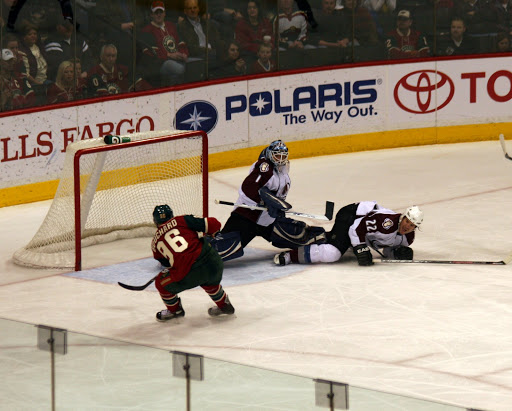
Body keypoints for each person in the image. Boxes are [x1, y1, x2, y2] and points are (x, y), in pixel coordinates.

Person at [213, 140, 326, 261]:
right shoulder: (265, 168)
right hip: (247, 218)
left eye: (283, 156)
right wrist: (264, 202)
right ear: (269, 154)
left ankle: (330, 236)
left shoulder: (284, 175)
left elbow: (279, 199)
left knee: (304, 237)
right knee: (220, 250)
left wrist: (277, 209)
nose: (280, 159)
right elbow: (247, 189)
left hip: (269, 221)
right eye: (277, 155)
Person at [151, 204, 235, 321]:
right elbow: (214, 224)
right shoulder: (182, 220)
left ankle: (175, 311)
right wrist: (212, 233)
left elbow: (167, 263)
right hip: (213, 262)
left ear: (155, 221)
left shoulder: (155, 243)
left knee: (161, 283)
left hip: (190, 274)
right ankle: (224, 305)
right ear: (172, 215)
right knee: (210, 280)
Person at [275, 202, 423, 266]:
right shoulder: (387, 223)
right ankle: (290, 255)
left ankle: (324, 236)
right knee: (332, 253)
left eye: (412, 226)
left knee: (343, 246)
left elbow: (386, 246)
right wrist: (360, 248)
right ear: (403, 217)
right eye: (407, 221)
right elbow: (356, 228)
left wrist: (395, 254)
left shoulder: (407, 238)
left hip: (360, 226)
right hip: (351, 216)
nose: (407, 227)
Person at [140, 1, 188, 87]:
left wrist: (183, 54)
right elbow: (151, 53)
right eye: (156, 13)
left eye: (161, 12)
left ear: (165, 13)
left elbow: (181, 43)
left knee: (196, 63)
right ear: (151, 15)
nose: (159, 15)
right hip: (162, 63)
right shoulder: (147, 30)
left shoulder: (171, 25)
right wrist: (169, 55)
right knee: (180, 69)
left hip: (178, 58)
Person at [44, 17, 92, 81]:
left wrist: (85, 72)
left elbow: (89, 60)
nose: (68, 28)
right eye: (65, 25)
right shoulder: (51, 42)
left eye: (70, 25)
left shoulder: (80, 40)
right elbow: (58, 65)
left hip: (81, 78)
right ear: (58, 27)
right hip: (61, 81)